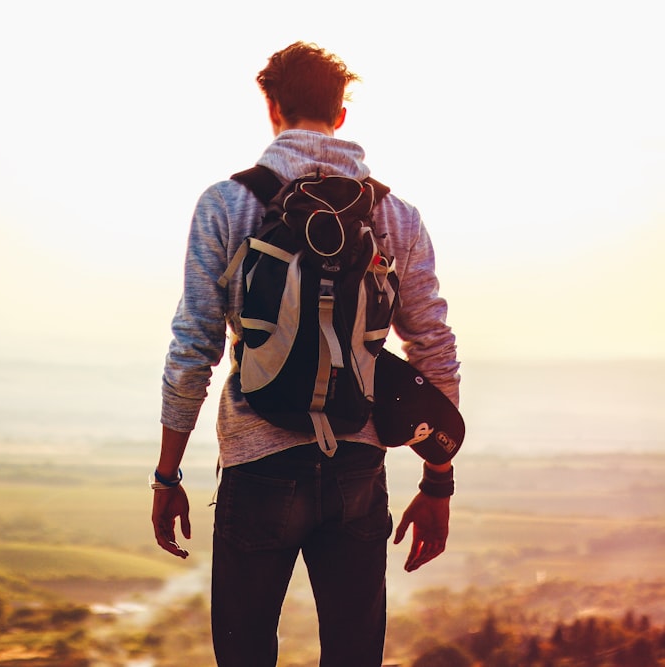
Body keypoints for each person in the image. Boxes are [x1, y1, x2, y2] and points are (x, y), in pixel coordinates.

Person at [151, 42, 461, 667]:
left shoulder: (229, 204)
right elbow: (433, 346)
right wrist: (438, 478)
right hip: (357, 464)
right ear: (341, 114)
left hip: (257, 462)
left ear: (272, 107)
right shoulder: (394, 214)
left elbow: (195, 344)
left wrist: (168, 473)